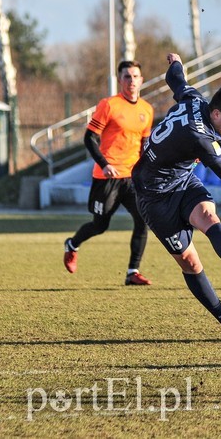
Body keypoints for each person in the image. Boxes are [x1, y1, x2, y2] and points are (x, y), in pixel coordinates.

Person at [132, 52, 221, 341]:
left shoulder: (194, 99)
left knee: (208, 216)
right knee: (191, 263)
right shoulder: (201, 136)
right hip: (154, 196)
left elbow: (176, 80)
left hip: (182, 181)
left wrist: (176, 63)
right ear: (216, 113)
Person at [63, 60, 154, 286]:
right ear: (119, 80)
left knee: (143, 220)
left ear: (141, 80)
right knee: (100, 225)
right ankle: (72, 245)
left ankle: (133, 272)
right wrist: (104, 164)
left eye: (135, 76)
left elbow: (145, 143)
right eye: (126, 76)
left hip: (132, 177)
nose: (131, 81)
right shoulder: (109, 105)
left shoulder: (147, 109)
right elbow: (89, 138)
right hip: (108, 177)